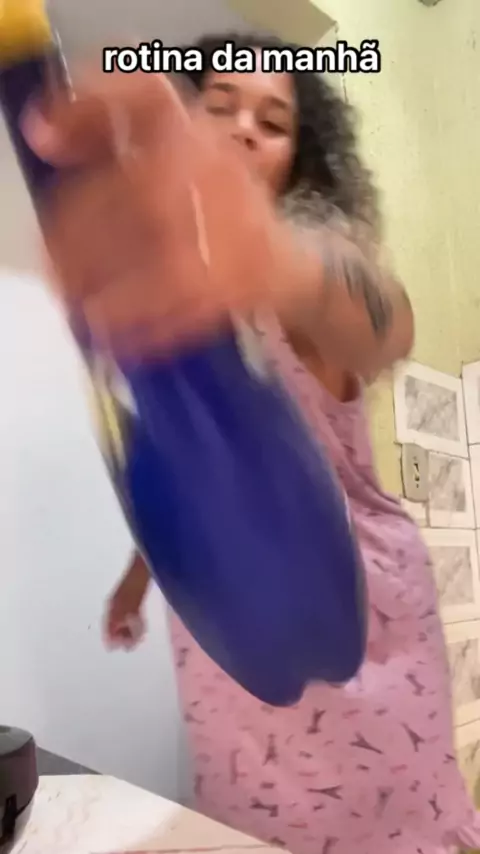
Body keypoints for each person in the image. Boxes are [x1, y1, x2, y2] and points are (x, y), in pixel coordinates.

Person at [25, 31, 480, 854]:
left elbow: (383, 319)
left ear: (300, 159)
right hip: (224, 632)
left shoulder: (307, 260)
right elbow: (190, 465)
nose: (243, 128)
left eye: (273, 121)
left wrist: (272, 262)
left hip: (359, 625)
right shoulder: (151, 298)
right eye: (221, 105)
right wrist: (139, 577)